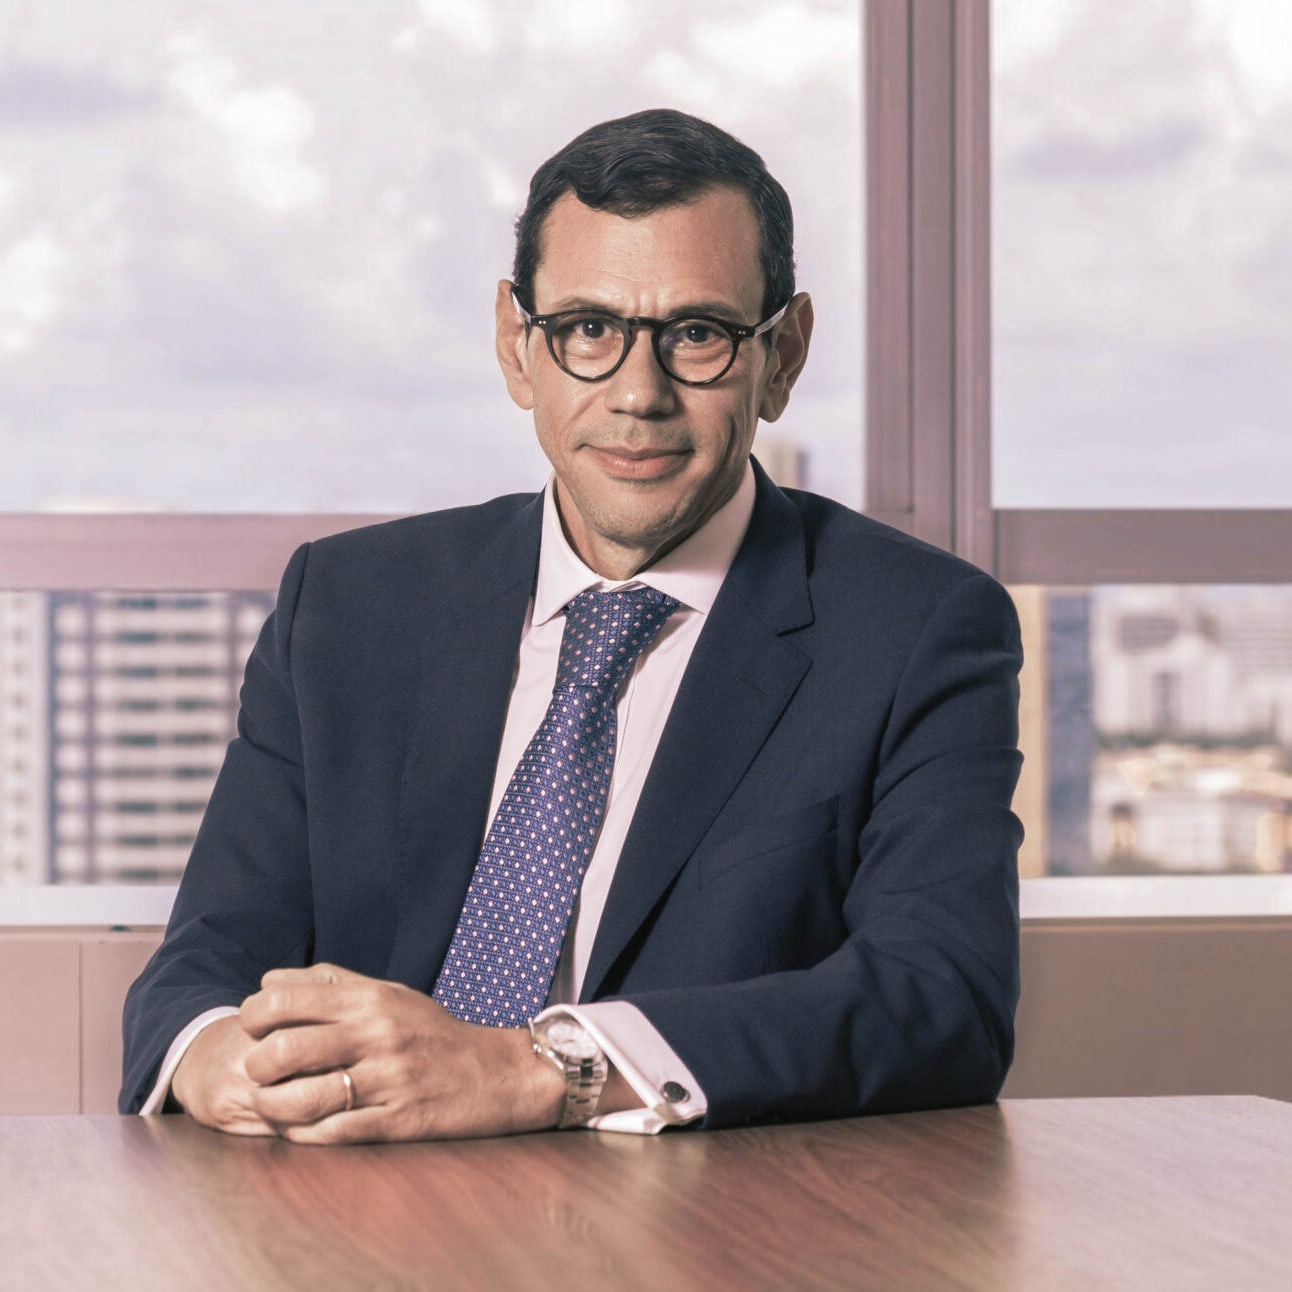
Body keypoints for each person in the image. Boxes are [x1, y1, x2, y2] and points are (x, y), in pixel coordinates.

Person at [120, 108, 1023, 1142]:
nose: (638, 395)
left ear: (781, 356)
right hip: (353, 1198)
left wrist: (538, 1068)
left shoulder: (916, 629)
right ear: (519, 347)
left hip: (703, 1217)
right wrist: (221, 1058)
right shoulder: (347, 605)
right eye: (588, 329)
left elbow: (939, 996)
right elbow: (203, 967)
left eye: (698, 334)